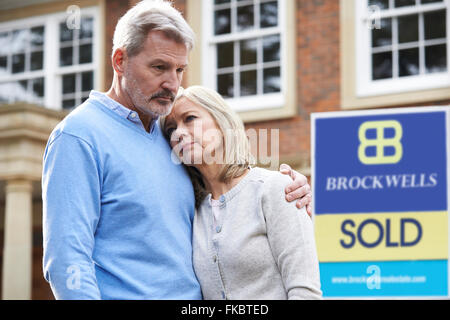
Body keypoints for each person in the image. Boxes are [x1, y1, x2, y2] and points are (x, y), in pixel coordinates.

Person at [42, 0, 312, 300]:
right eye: (159, 67)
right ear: (120, 61)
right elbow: (68, 260)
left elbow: (226, 191)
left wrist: (292, 191)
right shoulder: (78, 136)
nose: (172, 83)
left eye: (180, 69)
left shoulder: (169, 133)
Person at [160, 86, 322, 300]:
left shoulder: (275, 189)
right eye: (171, 129)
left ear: (221, 122)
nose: (178, 133)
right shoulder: (191, 209)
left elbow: (305, 292)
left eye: (189, 118)